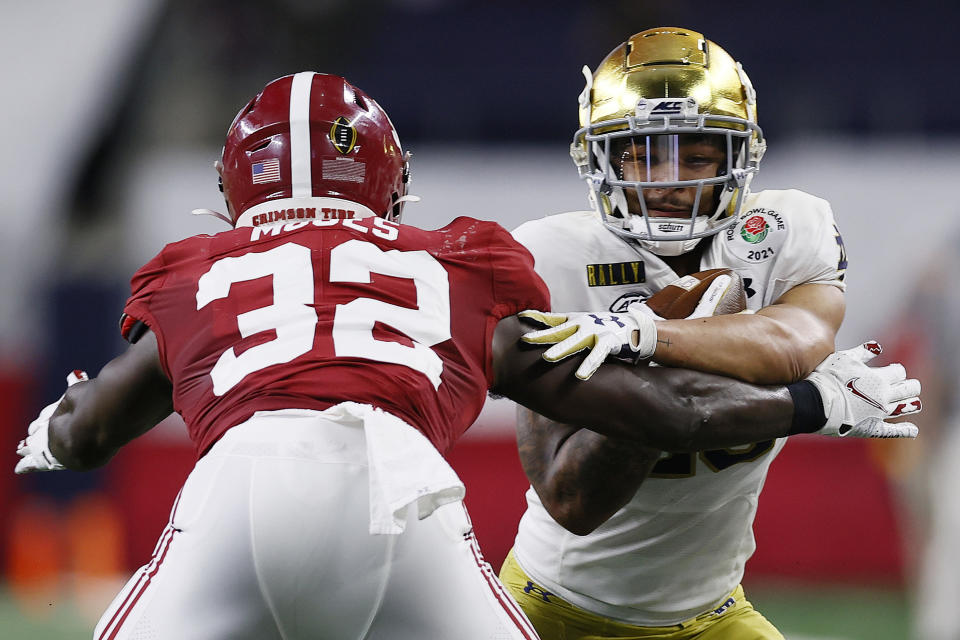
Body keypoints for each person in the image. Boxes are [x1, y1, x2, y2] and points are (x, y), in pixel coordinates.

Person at [13, 72, 918, 640]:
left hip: (241, 483)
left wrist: (61, 419)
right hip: (402, 494)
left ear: (231, 186)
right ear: (392, 183)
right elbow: (658, 414)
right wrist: (814, 404)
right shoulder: (454, 261)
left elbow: (88, 436)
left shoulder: (197, 268)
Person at [498, 27, 914, 640]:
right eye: (644, 154)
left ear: (737, 158)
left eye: (695, 156)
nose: (668, 181)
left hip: (712, 612)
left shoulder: (782, 228)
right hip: (554, 606)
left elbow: (796, 343)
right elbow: (571, 500)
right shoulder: (548, 255)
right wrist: (689, 364)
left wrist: (645, 335)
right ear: (604, 159)